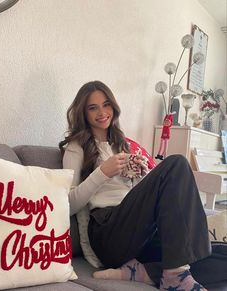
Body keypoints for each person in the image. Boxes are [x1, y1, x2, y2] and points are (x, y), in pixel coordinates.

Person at [59, 80, 213, 291]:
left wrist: (142, 176)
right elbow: (67, 204)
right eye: (92, 107)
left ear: (113, 106)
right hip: (108, 232)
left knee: (213, 254)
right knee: (176, 163)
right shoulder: (76, 147)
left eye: (106, 104)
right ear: (83, 113)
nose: (102, 112)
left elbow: (139, 199)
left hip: (138, 233)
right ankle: (173, 277)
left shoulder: (124, 144)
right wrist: (103, 172)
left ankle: (145, 272)